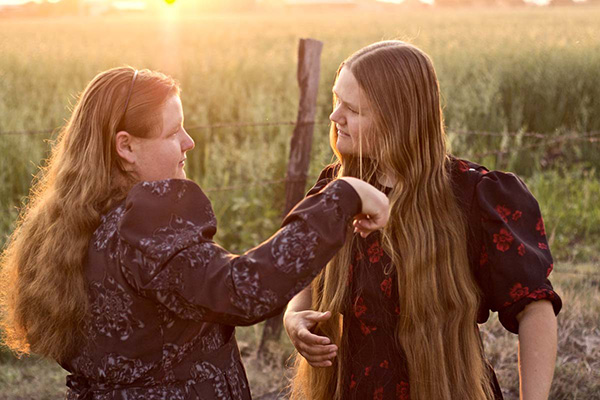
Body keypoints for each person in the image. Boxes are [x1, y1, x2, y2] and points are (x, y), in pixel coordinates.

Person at [0, 67, 390, 399]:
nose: (189, 142)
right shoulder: (146, 220)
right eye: (173, 133)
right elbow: (242, 291)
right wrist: (342, 197)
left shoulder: (72, 222)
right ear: (126, 147)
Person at [284, 41, 562, 400]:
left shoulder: (474, 198)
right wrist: (295, 316)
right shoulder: (337, 189)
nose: (335, 117)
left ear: (397, 119)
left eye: (351, 109)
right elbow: (304, 267)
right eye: (336, 100)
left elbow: (534, 307)